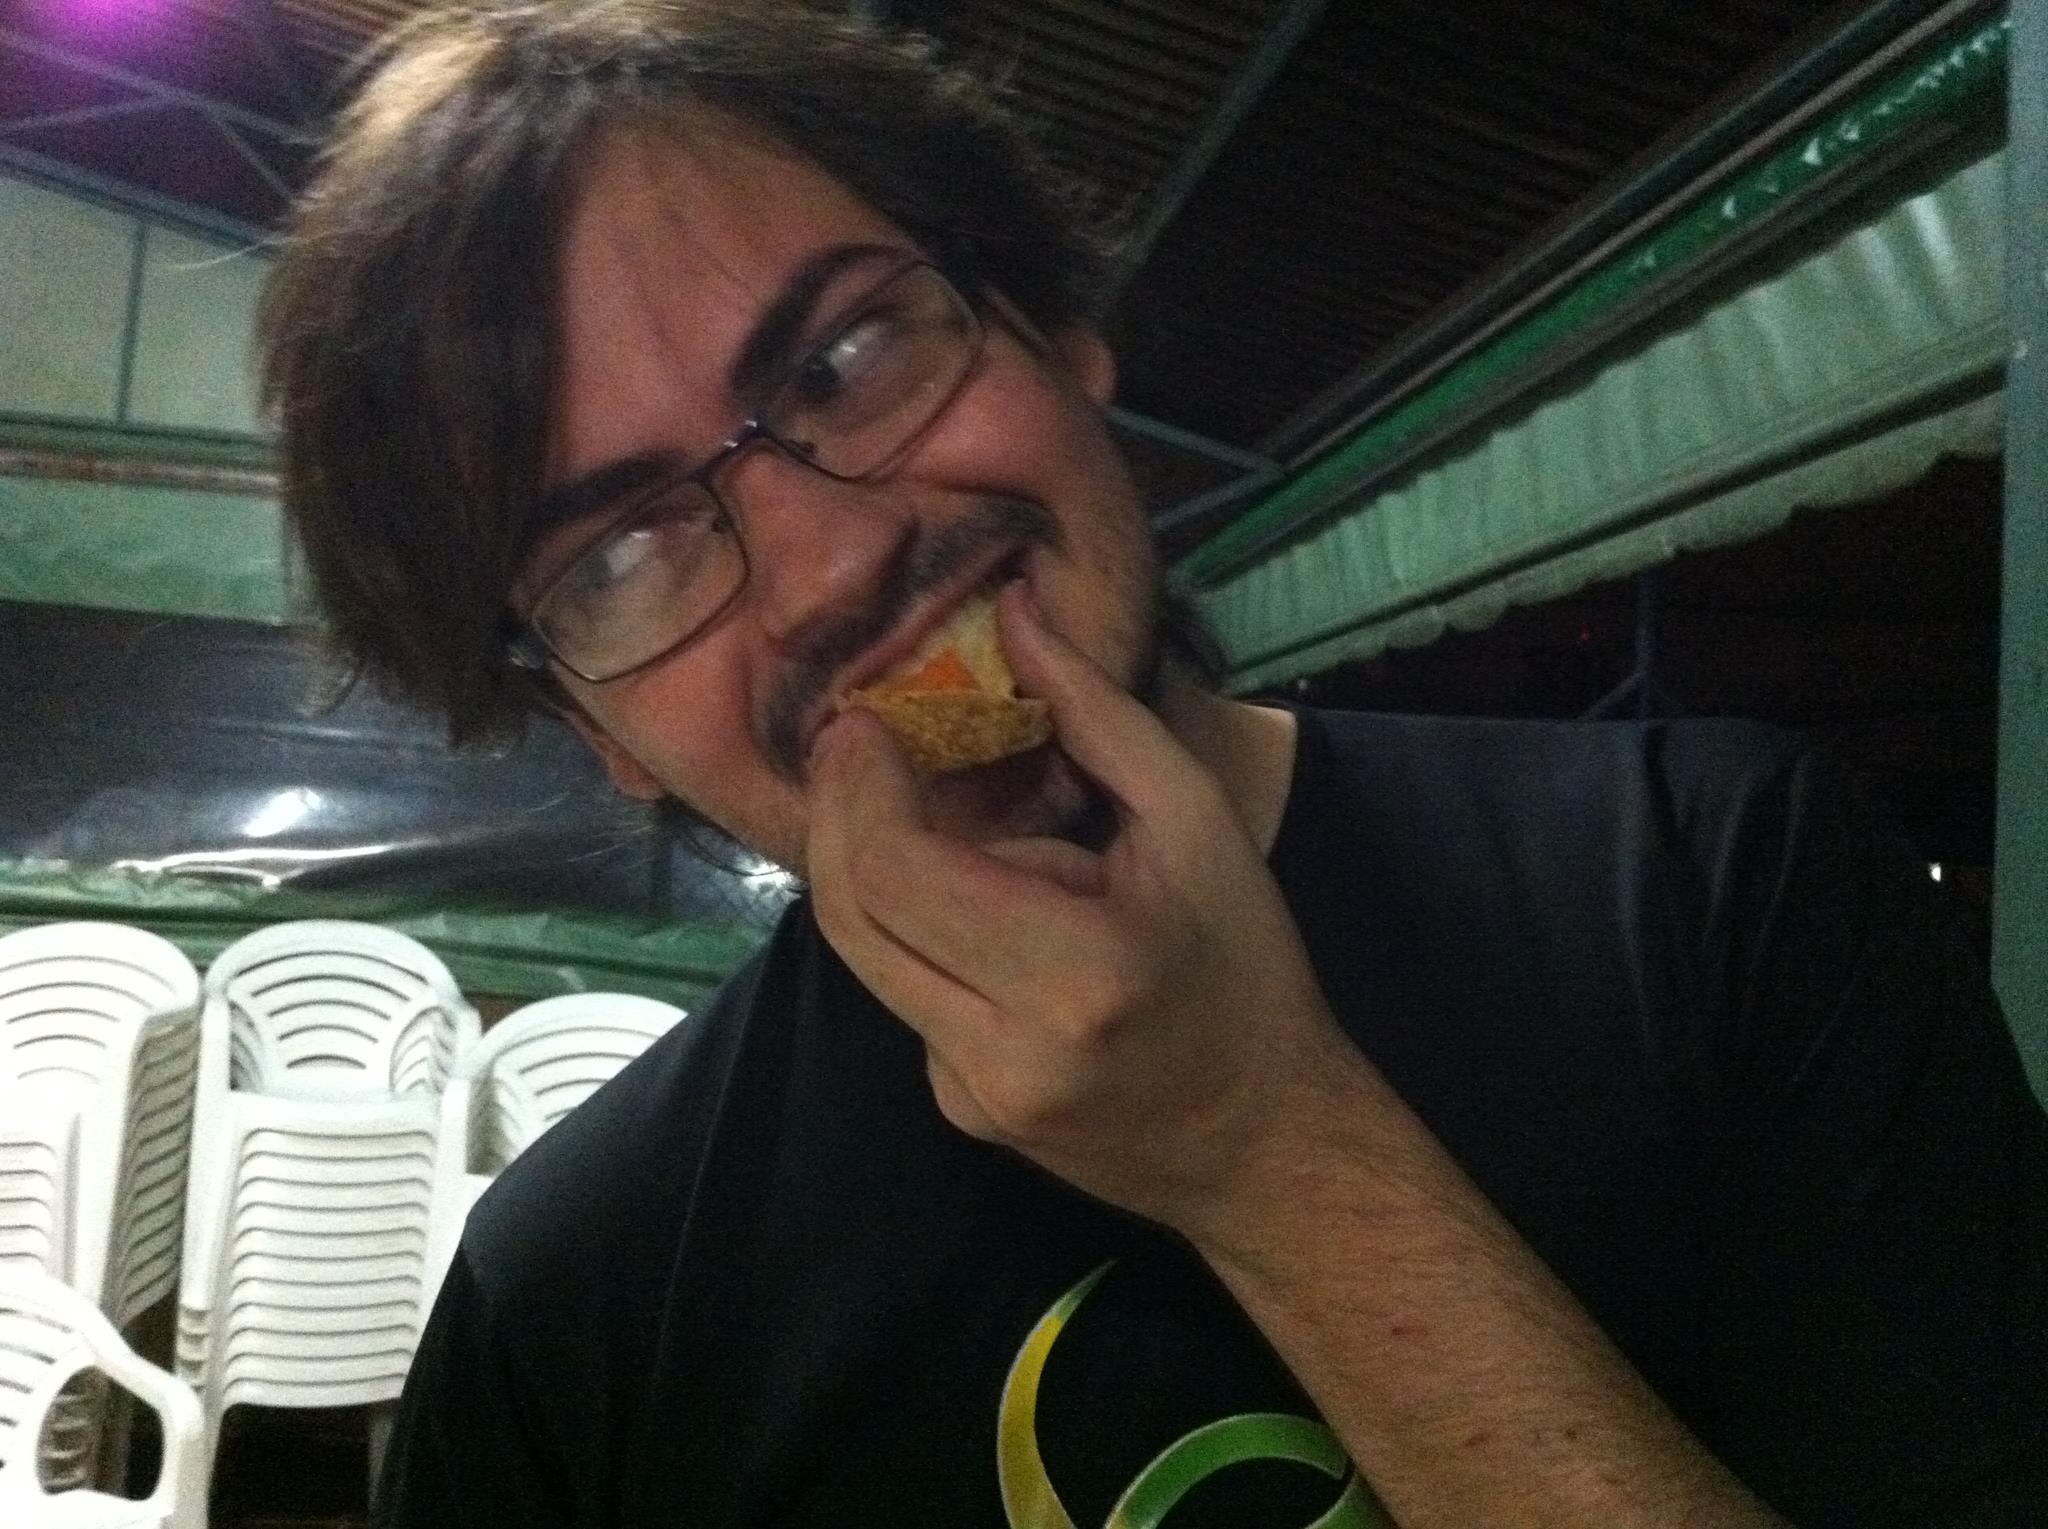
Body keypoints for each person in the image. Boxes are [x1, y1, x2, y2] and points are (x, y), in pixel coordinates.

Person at [259, 3, 2048, 1525]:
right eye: (617, 555)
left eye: (848, 354)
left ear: (1058, 329)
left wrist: (1267, 1143)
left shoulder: (1723, 883)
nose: (829, 563)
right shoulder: (571, 1311)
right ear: (599, 733)